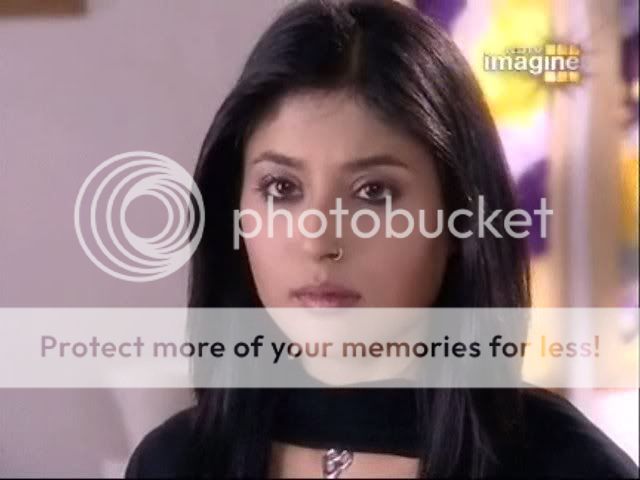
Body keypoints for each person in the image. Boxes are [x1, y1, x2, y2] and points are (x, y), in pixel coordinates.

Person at [125, 0, 639, 477]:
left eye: (373, 193)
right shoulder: (175, 462)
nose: (319, 240)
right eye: (281, 188)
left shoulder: (567, 466)